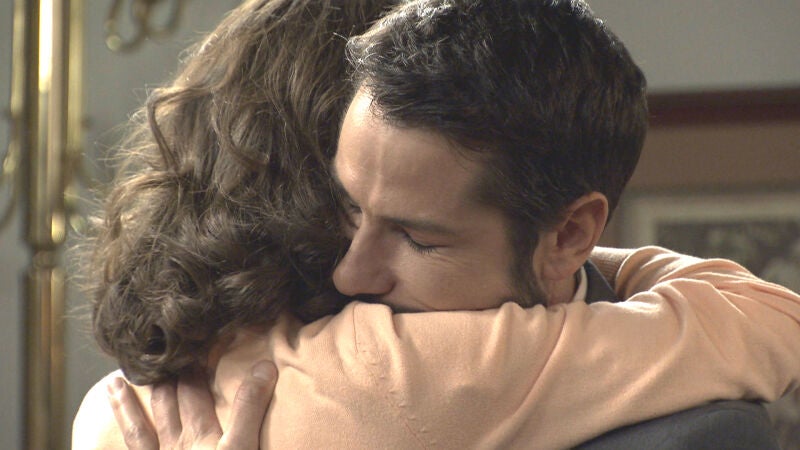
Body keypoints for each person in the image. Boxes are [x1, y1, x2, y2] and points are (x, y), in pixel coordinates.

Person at [73, 0, 800, 448]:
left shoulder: (127, 400)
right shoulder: (375, 375)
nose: (350, 271)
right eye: (348, 208)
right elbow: (770, 319)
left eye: (419, 235)